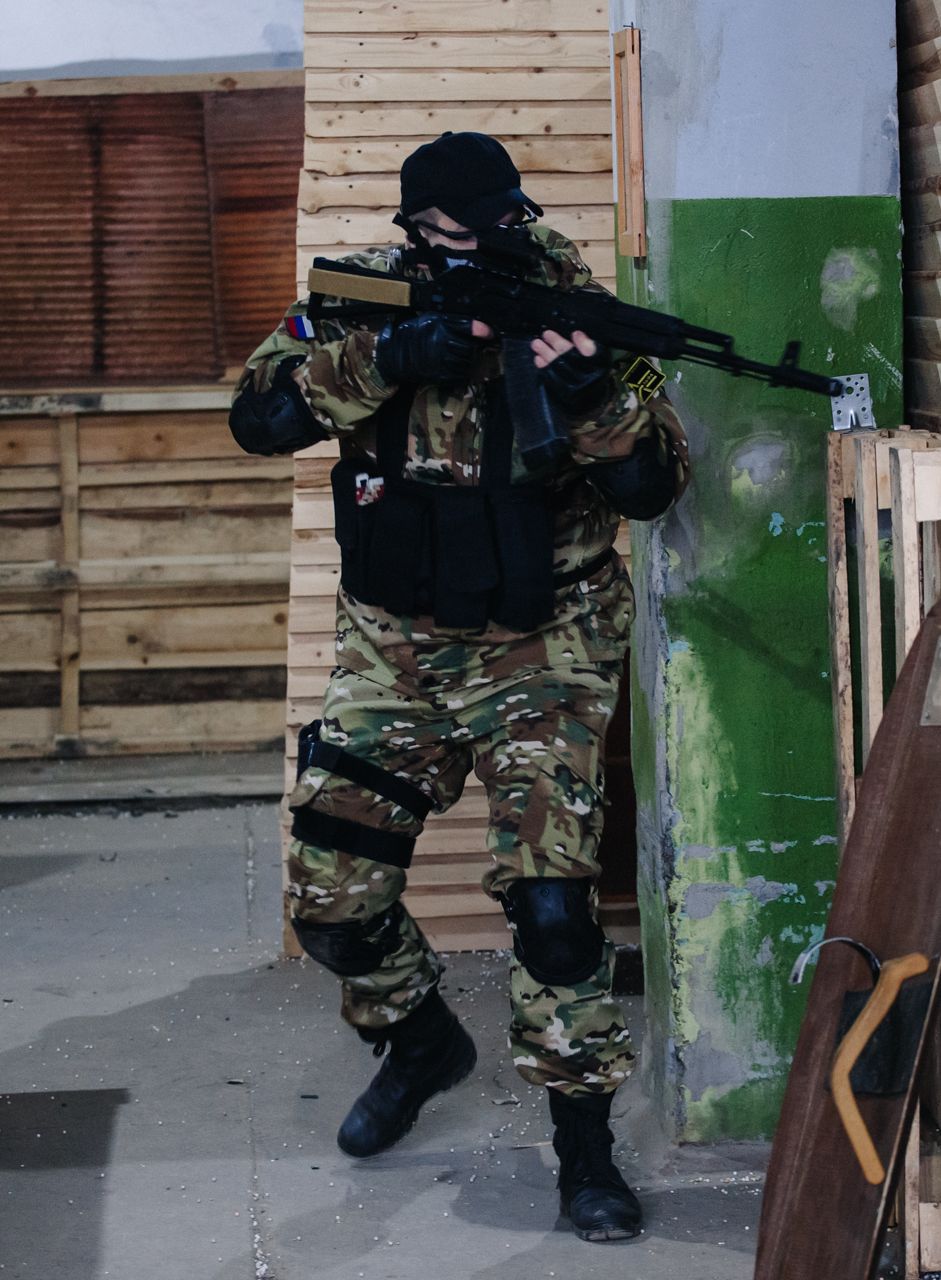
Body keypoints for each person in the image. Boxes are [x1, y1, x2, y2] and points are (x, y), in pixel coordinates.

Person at [227, 131, 688, 1243]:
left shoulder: (578, 312)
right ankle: (420, 1040)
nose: (477, 246)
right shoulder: (358, 299)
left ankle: (584, 1150)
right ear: (415, 231)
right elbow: (259, 417)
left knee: (554, 912)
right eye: (451, 233)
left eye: (495, 225)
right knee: (332, 900)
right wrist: (389, 357)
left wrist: (592, 396)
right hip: (393, 648)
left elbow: (652, 485)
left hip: (545, 645)